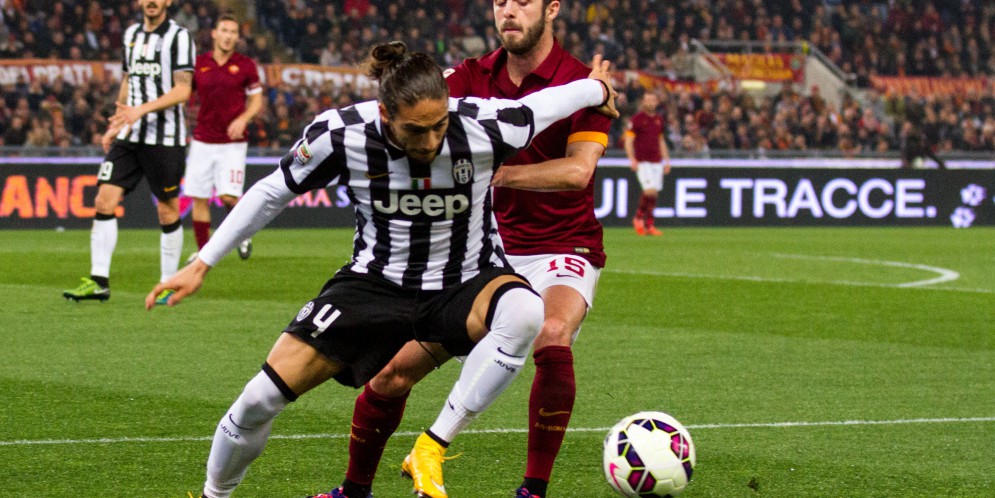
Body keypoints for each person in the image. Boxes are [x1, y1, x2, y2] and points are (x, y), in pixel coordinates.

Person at [145, 42, 619, 498]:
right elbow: (272, 192)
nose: (431, 142)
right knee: (257, 401)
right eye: (416, 130)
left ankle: (433, 443)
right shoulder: (341, 135)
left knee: (526, 312)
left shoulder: (488, 125)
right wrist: (202, 263)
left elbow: (560, 99)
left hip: (463, 283)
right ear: (385, 114)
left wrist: (599, 88)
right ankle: (214, 493)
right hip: (374, 285)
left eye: (439, 125)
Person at [347, 1, 614, 497]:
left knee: (551, 331)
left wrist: (497, 173)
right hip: (482, 253)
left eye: (523, 1)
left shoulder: (581, 82)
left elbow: (578, 171)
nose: (509, 11)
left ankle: (527, 487)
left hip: (561, 246)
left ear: (552, 8)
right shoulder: (469, 76)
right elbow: (406, 108)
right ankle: (353, 490)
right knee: (391, 373)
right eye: (500, 2)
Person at [63, 0, 194, 302]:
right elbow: (127, 79)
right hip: (130, 135)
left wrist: (140, 110)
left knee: (167, 209)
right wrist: (118, 122)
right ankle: (99, 281)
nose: (152, 1)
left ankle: (167, 284)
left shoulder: (179, 37)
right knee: (104, 199)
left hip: (165, 138)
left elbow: (183, 89)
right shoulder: (131, 34)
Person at [185, 13, 264, 263]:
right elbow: (186, 95)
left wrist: (243, 119)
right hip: (202, 139)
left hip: (232, 143)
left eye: (233, 32)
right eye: (224, 31)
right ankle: (203, 253)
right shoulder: (199, 64)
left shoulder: (246, 65)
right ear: (214, 34)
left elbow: (256, 100)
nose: (228, 36)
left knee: (228, 197)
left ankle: (242, 234)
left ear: (237, 37)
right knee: (199, 198)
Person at [624, 91, 671, 236]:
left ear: (657, 102)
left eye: (653, 100)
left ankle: (649, 224)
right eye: (648, 100)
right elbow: (629, 141)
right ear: (643, 102)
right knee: (649, 190)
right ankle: (638, 218)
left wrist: (666, 160)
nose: (650, 103)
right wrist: (632, 158)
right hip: (643, 161)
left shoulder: (659, 119)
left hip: (656, 160)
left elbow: (661, 141)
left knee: (654, 193)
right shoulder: (637, 119)